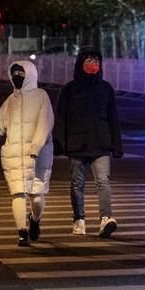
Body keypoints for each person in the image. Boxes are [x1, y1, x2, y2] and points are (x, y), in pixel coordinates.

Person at [0, 61, 54, 247]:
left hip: (37, 157)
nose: (17, 77)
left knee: (36, 197)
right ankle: (22, 232)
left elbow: (45, 124)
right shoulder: (10, 101)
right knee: (18, 194)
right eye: (14, 74)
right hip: (13, 155)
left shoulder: (41, 96)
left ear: (30, 74)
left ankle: (35, 219)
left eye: (21, 73)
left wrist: (35, 148)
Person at [53, 45, 123, 238]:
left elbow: (113, 119)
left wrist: (116, 145)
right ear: (80, 63)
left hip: (101, 144)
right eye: (89, 60)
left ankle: (106, 218)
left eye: (97, 60)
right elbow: (61, 118)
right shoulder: (69, 89)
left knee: (104, 182)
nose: (93, 64)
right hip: (77, 145)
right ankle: (79, 220)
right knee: (77, 184)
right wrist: (58, 143)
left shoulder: (106, 89)